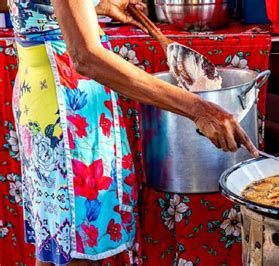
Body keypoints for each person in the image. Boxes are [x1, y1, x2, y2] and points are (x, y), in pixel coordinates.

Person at [3, 0, 258, 265]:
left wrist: (95, 7)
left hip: (50, 99)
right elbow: (85, 56)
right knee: (77, 255)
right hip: (65, 112)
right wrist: (197, 109)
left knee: (64, 250)